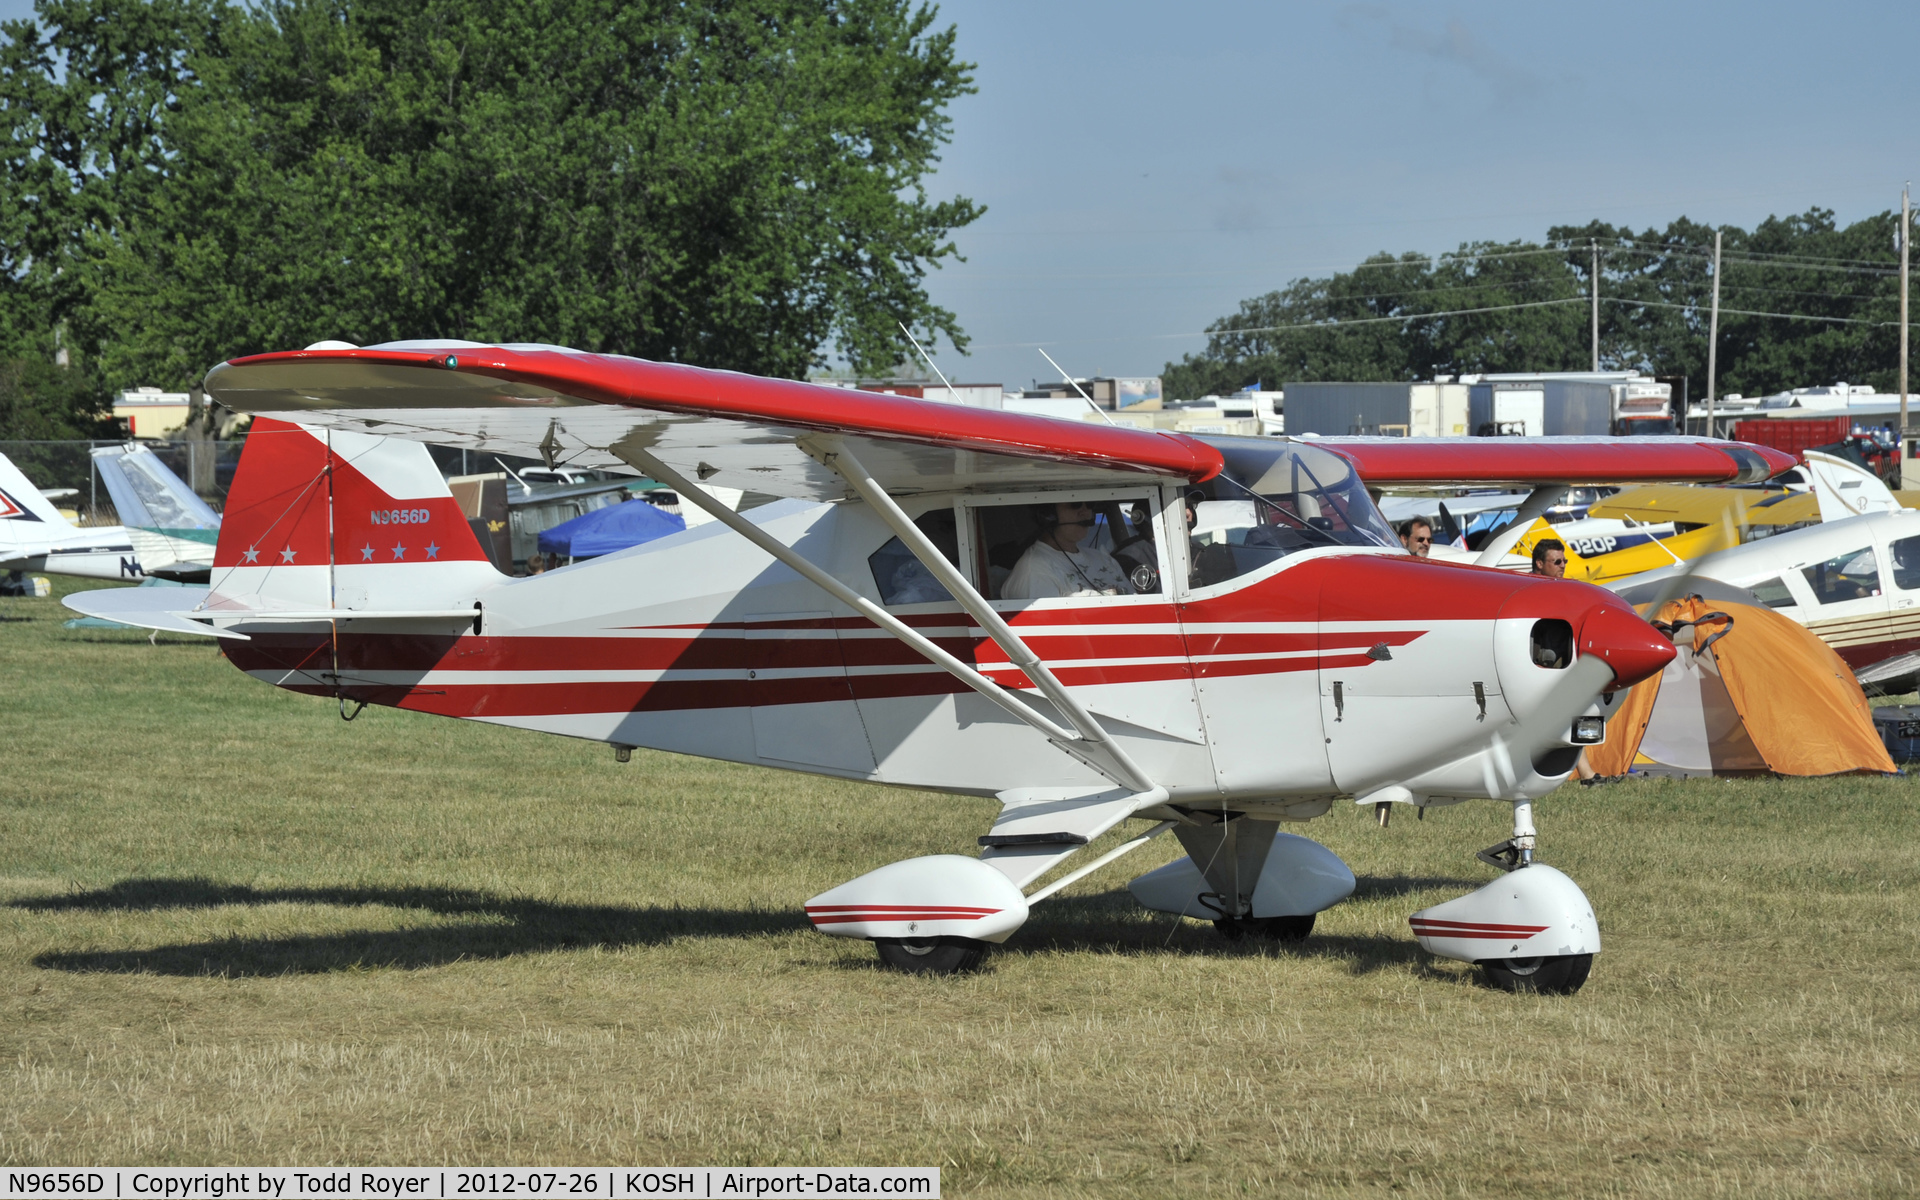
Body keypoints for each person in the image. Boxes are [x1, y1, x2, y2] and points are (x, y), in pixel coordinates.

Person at [1002, 501, 1134, 599]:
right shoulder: (1035, 569)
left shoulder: (1103, 559)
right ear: (1049, 515)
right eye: (1075, 504)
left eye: (1089, 504)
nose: (1085, 512)